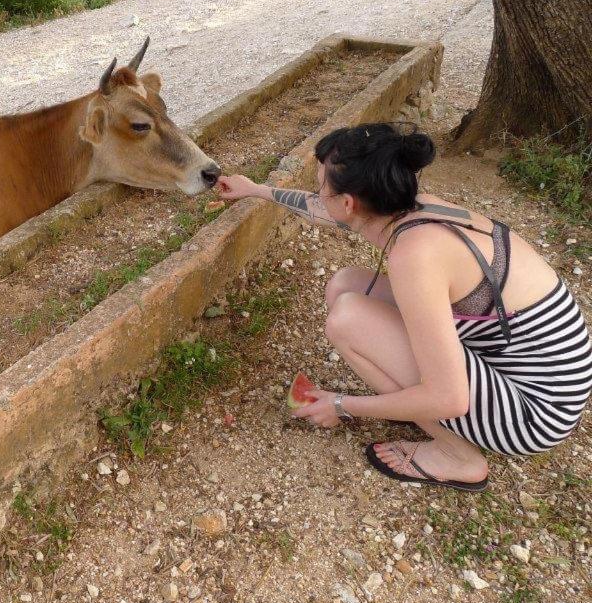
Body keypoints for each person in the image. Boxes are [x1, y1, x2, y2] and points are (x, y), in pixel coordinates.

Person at [215, 122, 592, 492]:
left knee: (347, 320)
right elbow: (323, 210)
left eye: (322, 188)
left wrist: (343, 405)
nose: (319, 197)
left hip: (533, 412)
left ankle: (457, 456)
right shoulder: (412, 207)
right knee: (346, 285)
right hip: (518, 365)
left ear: (349, 203)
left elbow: (452, 397)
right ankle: (424, 414)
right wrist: (258, 191)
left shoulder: (416, 255)